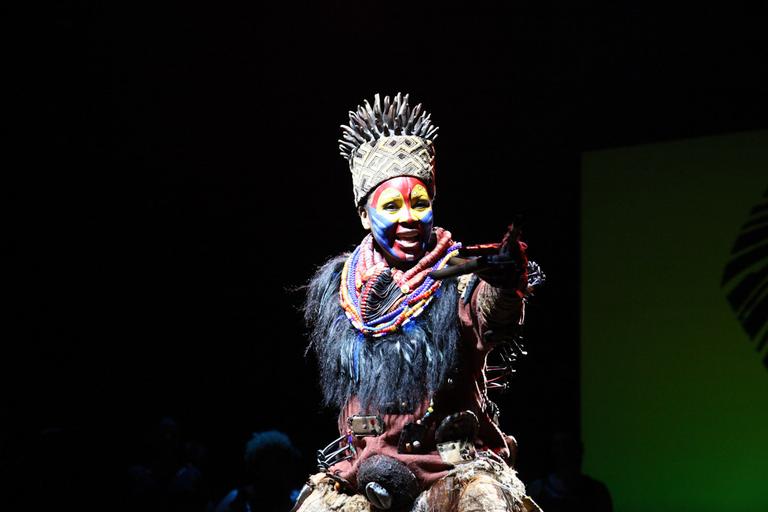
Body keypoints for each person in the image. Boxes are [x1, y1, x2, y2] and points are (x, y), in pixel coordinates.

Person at [294, 93, 544, 512]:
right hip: (365, 470)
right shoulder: (340, 290)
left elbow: (489, 314)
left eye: (420, 203)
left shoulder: (460, 273)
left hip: (452, 469)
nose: (409, 217)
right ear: (363, 215)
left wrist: (503, 282)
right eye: (391, 206)